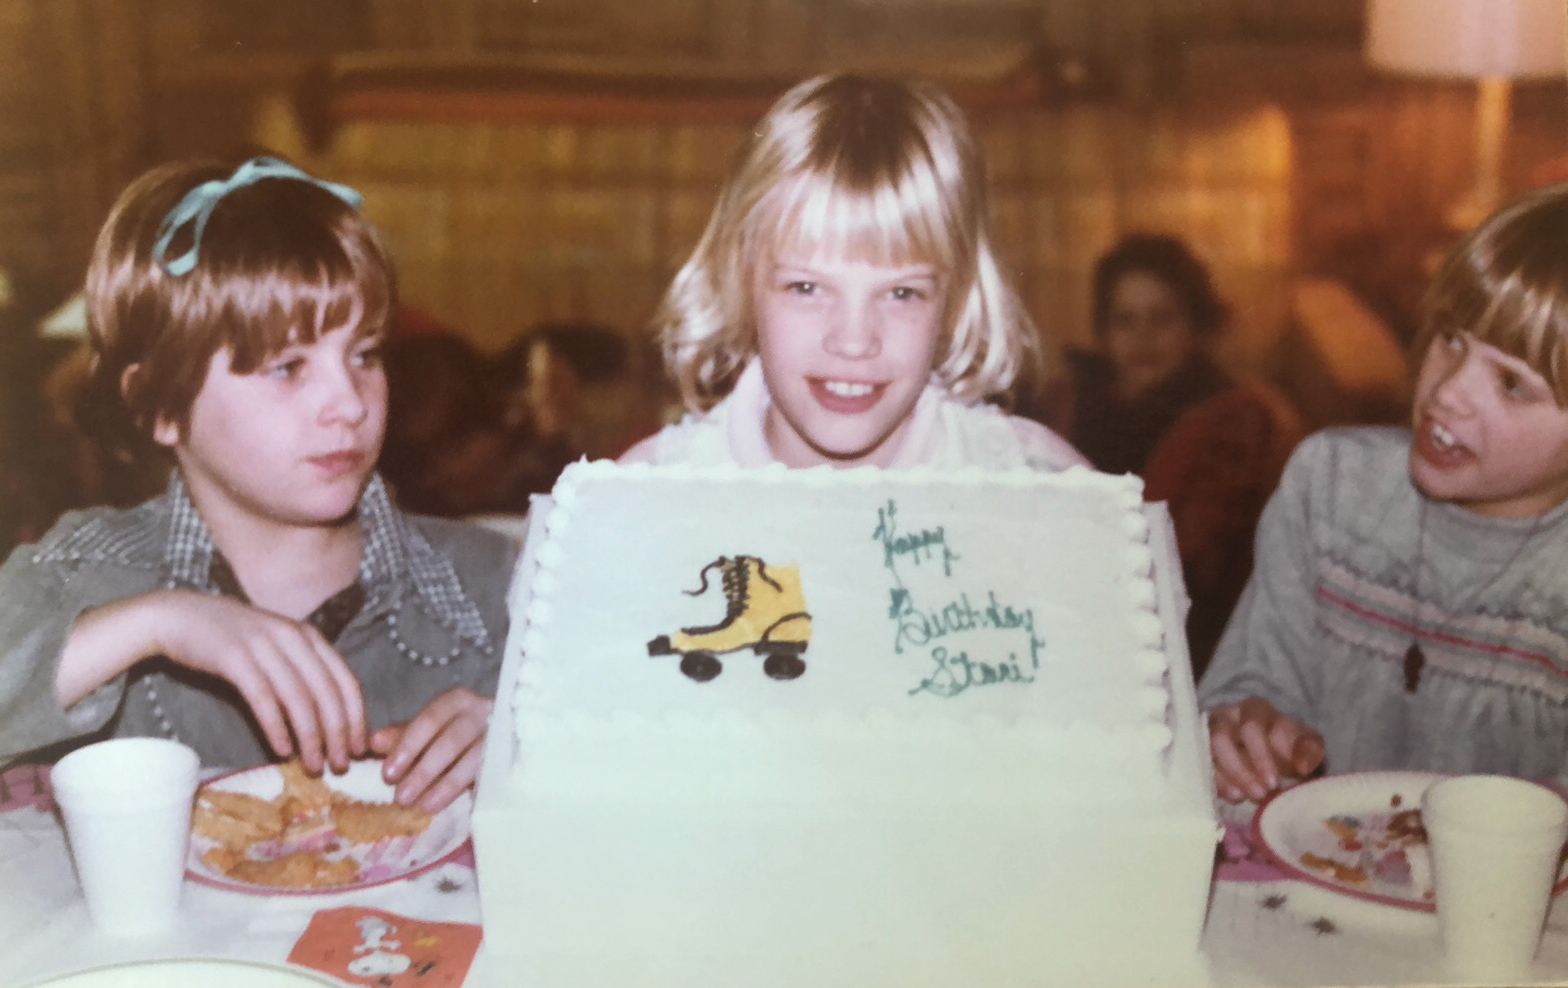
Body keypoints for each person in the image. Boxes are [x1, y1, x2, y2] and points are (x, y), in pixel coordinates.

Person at [0, 157, 517, 812]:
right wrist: (160, 620)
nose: (349, 404)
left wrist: (527, 744)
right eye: (287, 366)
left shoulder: (491, 584)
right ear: (160, 405)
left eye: (364, 354)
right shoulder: (85, 571)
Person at [1200, 182, 1568, 803]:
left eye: (1510, 383)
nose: (1448, 390)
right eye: (1451, 337)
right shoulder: (1332, 485)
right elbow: (1249, 679)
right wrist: (1251, 729)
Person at [621, 74, 1085, 473]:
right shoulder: (645, 496)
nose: (854, 341)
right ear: (741, 283)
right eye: (806, 288)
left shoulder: (1047, 489)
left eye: (902, 293)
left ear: (957, 298)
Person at [1031, 234, 1303, 674]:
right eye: (1125, 321)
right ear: (1104, 331)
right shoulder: (1069, 397)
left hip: (1176, 633)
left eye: (1163, 319)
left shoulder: (1231, 416)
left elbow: (1192, 556)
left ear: (1196, 326)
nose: (1143, 337)